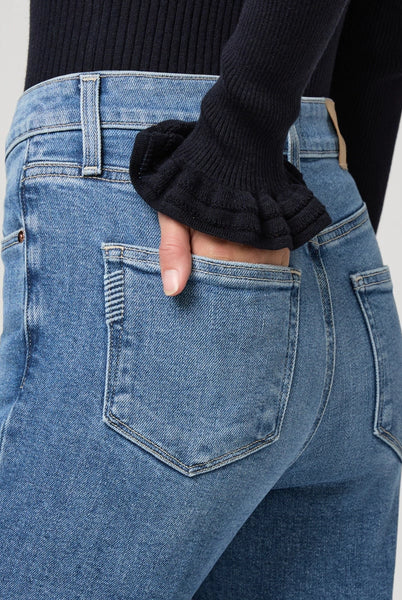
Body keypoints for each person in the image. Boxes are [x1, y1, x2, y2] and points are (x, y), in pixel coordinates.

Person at [0, 1, 401, 598]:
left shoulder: (228, 151)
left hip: (168, 187)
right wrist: (321, 233)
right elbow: (381, 43)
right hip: (321, 229)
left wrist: (239, 138)